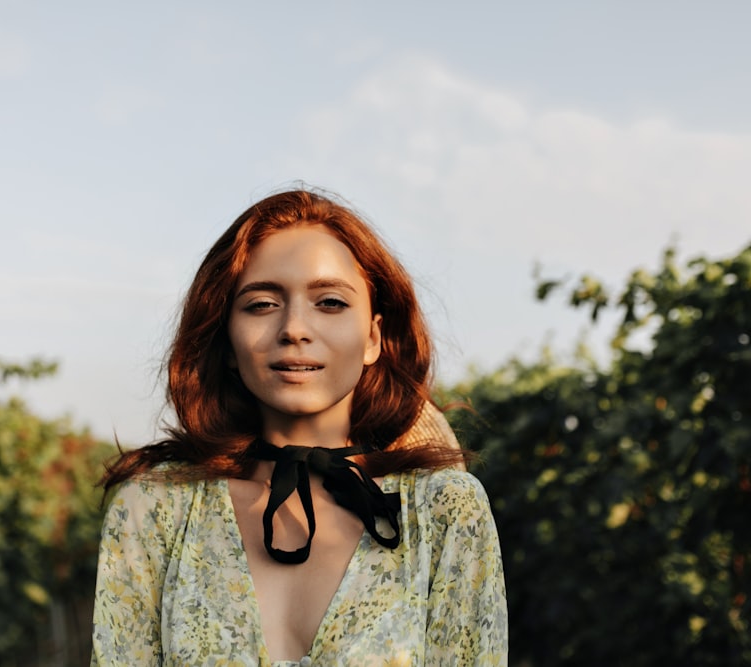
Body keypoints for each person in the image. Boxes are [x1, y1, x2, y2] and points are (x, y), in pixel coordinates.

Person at [91, 189, 507, 666]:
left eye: (329, 302)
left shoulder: (445, 510)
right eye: (262, 304)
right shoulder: (153, 510)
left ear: (373, 337)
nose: (294, 328)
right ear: (226, 340)